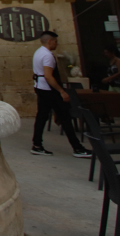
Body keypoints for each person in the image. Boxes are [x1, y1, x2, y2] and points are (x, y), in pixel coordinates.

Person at [31, 30, 92, 158]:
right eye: (55, 41)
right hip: (48, 89)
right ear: (50, 41)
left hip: (40, 87)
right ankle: (77, 148)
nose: (56, 44)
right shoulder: (47, 55)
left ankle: (37, 145)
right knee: (64, 116)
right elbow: (48, 76)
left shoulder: (38, 52)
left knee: (42, 116)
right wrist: (61, 91)